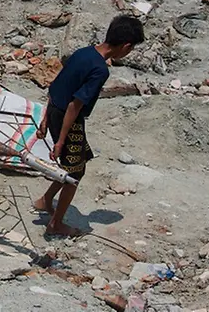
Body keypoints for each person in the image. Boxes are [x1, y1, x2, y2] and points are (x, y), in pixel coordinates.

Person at [34, 15, 145, 236]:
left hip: (55, 112)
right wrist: (62, 140)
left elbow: (56, 86)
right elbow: (75, 105)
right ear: (126, 46)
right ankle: (56, 224)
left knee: (76, 163)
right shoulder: (100, 70)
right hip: (68, 120)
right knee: (75, 173)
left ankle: (45, 200)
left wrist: (45, 120)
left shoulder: (83, 52)